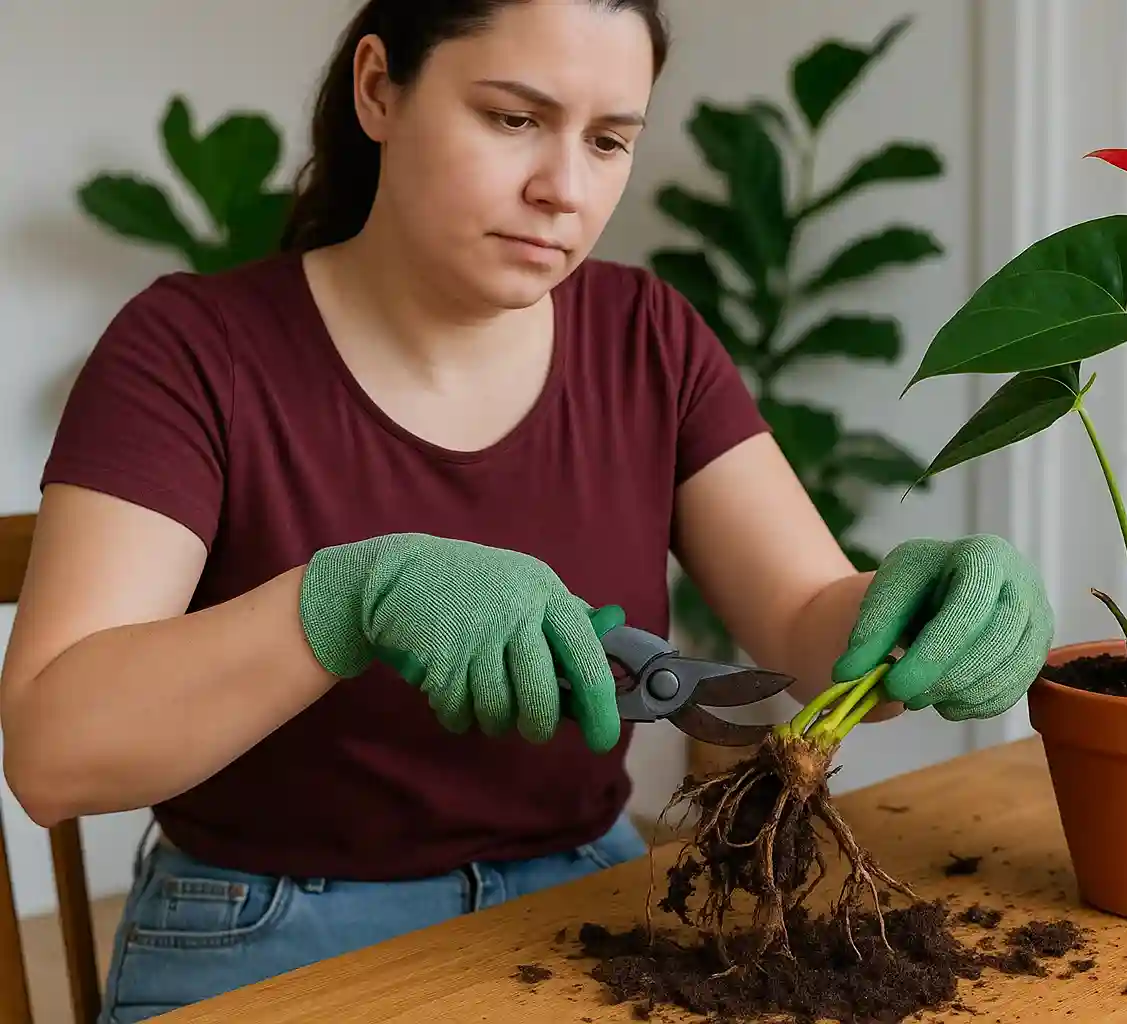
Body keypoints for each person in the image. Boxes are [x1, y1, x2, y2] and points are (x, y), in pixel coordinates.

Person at [0, 1, 1054, 1020]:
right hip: (263, 929)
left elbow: (807, 622)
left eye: (607, 140)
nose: (564, 189)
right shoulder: (190, 352)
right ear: (379, 89)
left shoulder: (649, 338)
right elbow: (52, 754)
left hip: (579, 911)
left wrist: (914, 610)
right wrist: (344, 600)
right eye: (513, 119)